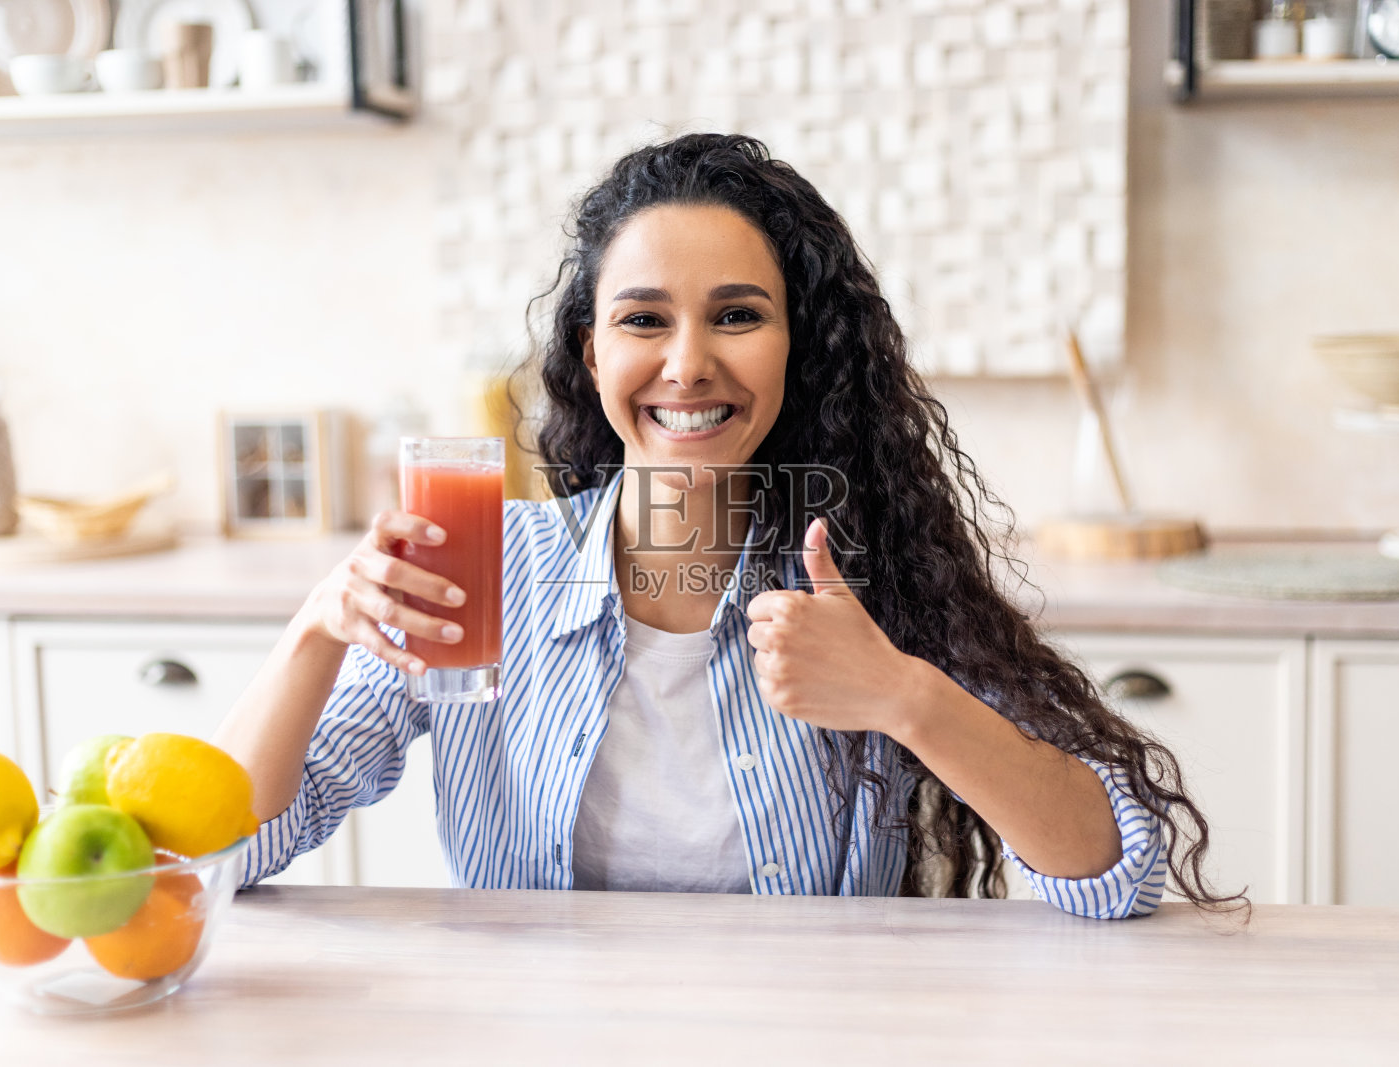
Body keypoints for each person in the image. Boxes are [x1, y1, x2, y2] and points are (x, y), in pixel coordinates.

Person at [214, 133, 1240, 918]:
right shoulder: (488, 572)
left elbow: (1111, 870)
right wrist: (314, 631)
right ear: (591, 347)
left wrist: (903, 695)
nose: (687, 362)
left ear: (801, 345)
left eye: (738, 315)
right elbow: (227, 851)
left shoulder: (860, 573)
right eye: (644, 318)